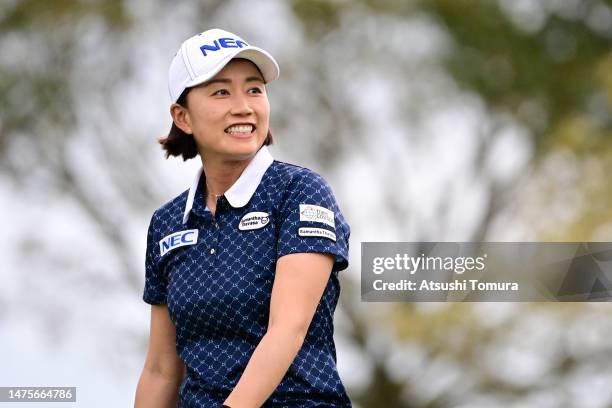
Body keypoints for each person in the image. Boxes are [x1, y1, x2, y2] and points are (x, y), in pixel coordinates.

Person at [134, 28, 352, 408]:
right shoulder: (167, 223)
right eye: (221, 92)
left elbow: (288, 330)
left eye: (254, 89)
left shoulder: (299, 192)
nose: (244, 106)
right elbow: (161, 369)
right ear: (182, 117)